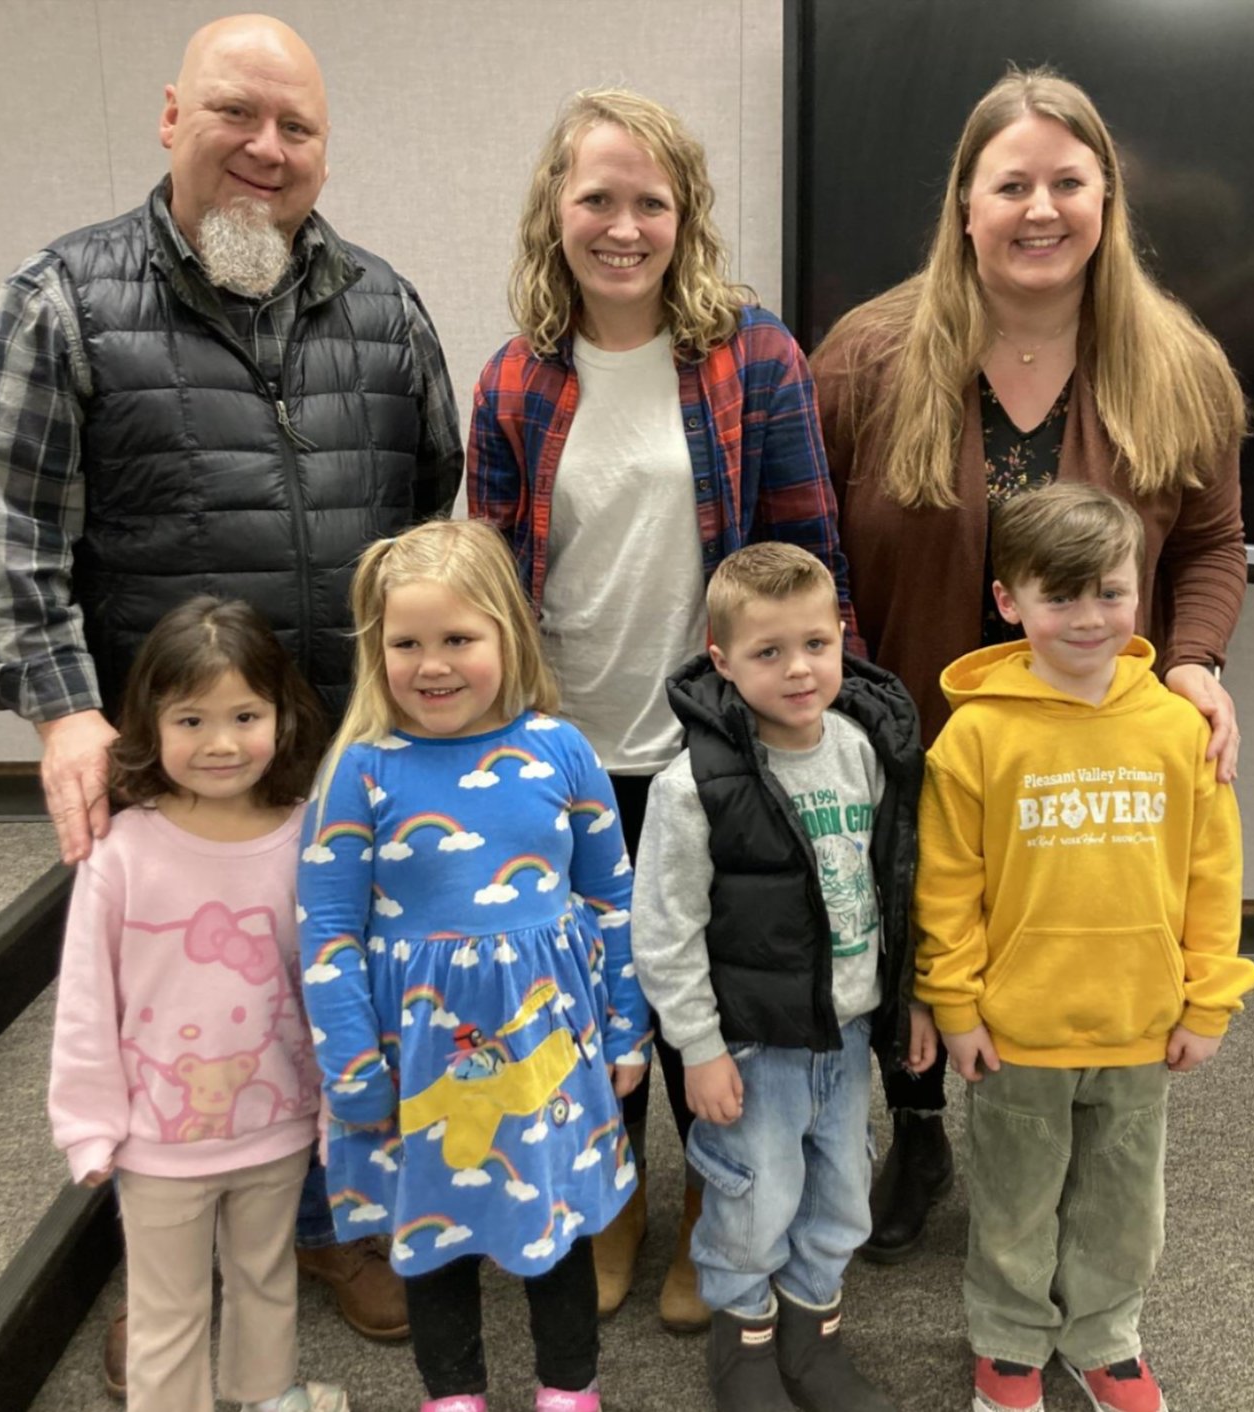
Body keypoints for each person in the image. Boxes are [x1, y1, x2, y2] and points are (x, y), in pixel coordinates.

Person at [0, 13, 461, 1376]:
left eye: (297, 128)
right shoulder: (65, 298)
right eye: (238, 115)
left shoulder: (387, 306)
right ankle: (167, 1260)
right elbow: (8, 528)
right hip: (174, 769)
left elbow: (426, 502)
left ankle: (329, 1223)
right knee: (188, 1023)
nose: (267, 148)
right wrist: (67, 708)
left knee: (332, 998)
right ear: (172, 117)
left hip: (342, 755)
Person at [808, 66, 1249, 1263]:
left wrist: (1198, 660)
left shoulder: (1180, 367)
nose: (1039, 207)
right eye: (1011, 183)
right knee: (917, 931)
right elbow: (804, 540)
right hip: (914, 727)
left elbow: (1210, 545)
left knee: (1062, 942)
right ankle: (921, 1138)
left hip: (1093, 743)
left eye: (1068, 181)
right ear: (965, 203)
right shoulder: (865, 356)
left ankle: (1052, 1150)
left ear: (1108, 198)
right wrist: (835, 685)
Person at [468, 87, 857, 1329]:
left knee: (714, 984)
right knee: (588, 994)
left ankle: (713, 1207)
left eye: (650, 200)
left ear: (683, 214)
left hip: (711, 741)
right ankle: (613, 1198)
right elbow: (486, 572)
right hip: (564, 750)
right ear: (556, 210)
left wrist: (809, 719)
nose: (622, 225)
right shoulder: (518, 378)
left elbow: (806, 546)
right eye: (597, 198)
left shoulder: (753, 355)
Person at [912, 484, 1254, 1412]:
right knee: (1014, 1205)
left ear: (1140, 590)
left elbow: (1211, 880)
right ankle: (1008, 1343)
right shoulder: (976, 736)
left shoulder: (1180, 732)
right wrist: (955, 1006)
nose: (1087, 617)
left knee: (1120, 1208)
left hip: (1139, 1025)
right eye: (1057, 596)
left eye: (1108, 592)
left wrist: (1207, 1000)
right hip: (1018, 1029)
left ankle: (1104, 1338)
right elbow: (947, 890)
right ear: (1007, 602)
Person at [298, 520, 651, 1412]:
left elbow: (613, 899)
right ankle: (452, 1394)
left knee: (558, 1223)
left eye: (458, 639)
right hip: (412, 1057)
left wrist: (624, 1024)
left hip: (551, 1048)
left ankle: (569, 1389)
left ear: (507, 636)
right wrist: (349, 1064)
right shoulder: (359, 770)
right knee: (432, 1229)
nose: (431, 664)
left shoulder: (560, 751)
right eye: (405, 643)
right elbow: (327, 929)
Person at [630, 543, 929, 1412]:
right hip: (754, 1041)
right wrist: (696, 1047)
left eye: (815, 644)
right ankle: (745, 1346)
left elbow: (899, 885)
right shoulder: (693, 787)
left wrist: (908, 999)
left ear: (841, 636)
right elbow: (665, 930)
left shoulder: (868, 747)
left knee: (839, 1196)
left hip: (843, 1030)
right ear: (722, 660)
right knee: (753, 1200)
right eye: (768, 653)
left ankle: (811, 1337)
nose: (798, 669)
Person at [48, 597, 346, 1412]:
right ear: (149, 721)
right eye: (191, 719)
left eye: (244, 715)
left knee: (266, 1277)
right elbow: (85, 997)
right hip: (157, 1144)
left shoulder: (307, 836)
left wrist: (335, 1108)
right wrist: (88, 1122)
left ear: (282, 718)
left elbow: (327, 986)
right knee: (168, 1307)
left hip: (278, 1125)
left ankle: (267, 1395)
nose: (220, 743)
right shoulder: (122, 851)